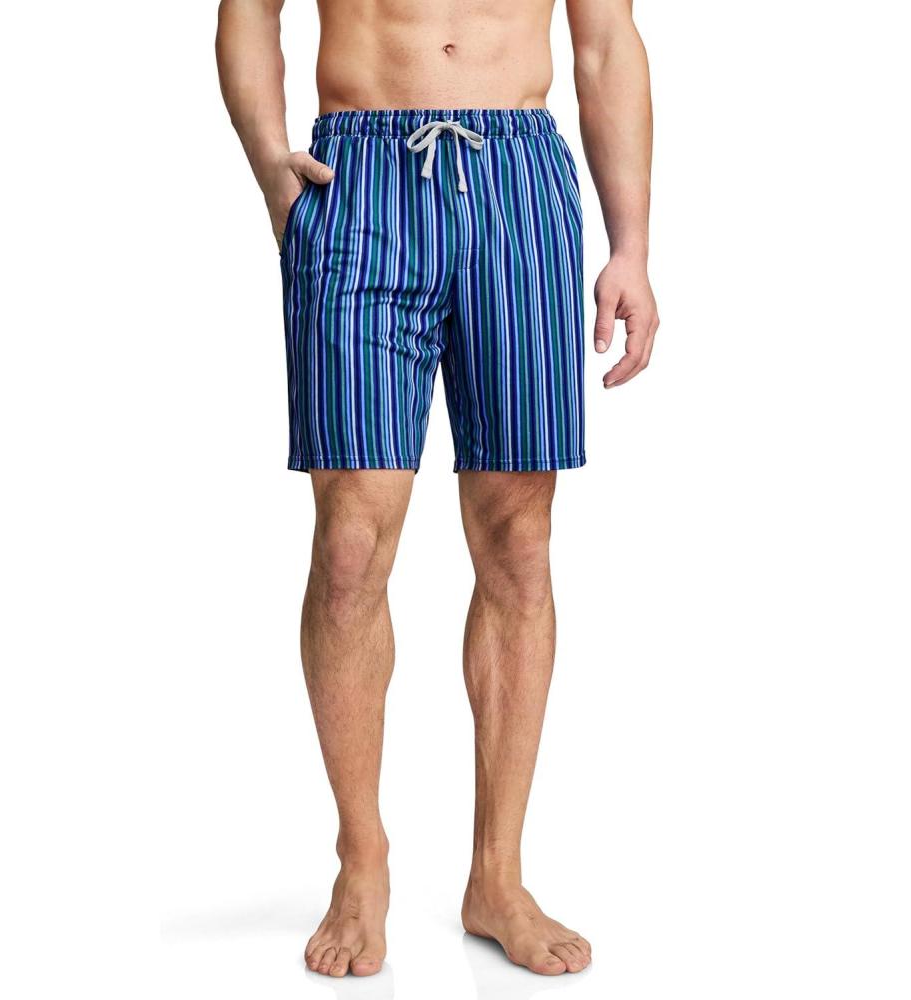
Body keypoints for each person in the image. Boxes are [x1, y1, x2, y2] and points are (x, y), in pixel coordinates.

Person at [216, 0, 659, 979]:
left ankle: (497, 874)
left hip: (517, 179)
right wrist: (270, 164)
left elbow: (604, 41)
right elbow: (248, 10)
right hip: (358, 177)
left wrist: (629, 245)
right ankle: (361, 857)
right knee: (349, 541)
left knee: (518, 539)